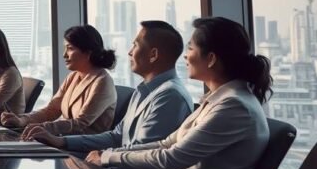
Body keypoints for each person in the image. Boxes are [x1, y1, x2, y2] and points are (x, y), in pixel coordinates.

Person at [87, 17, 271, 169]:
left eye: (190, 48)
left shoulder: (233, 107)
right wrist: (108, 154)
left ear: (211, 59)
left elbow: (170, 159)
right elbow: (166, 143)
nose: (185, 55)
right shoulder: (219, 100)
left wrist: (108, 158)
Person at [27, 21, 194, 159]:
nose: (129, 52)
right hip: (117, 166)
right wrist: (61, 142)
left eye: (135, 45)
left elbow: (143, 154)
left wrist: (104, 157)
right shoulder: (143, 91)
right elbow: (116, 136)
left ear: (153, 55)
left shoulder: (170, 96)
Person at [4, 25, 117, 136]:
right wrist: (22, 120)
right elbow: (51, 110)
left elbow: (81, 123)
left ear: (88, 52)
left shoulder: (102, 82)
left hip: (84, 148)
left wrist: (42, 128)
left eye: (70, 48)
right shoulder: (73, 77)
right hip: (63, 139)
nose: (64, 55)